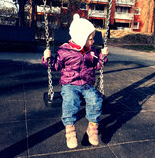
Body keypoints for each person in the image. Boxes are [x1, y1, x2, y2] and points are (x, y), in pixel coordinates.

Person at [42, 14, 108, 149]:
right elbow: (55, 66)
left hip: (87, 85)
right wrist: (47, 59)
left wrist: (103, 56)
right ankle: (70, 129)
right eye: (90, 38)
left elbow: (97, 66)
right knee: (71, 101)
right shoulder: (64, 52)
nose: (93, 41)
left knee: (96, 100)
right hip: (69, 85)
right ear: (80, 39)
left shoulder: (92, 52)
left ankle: (92, 127)